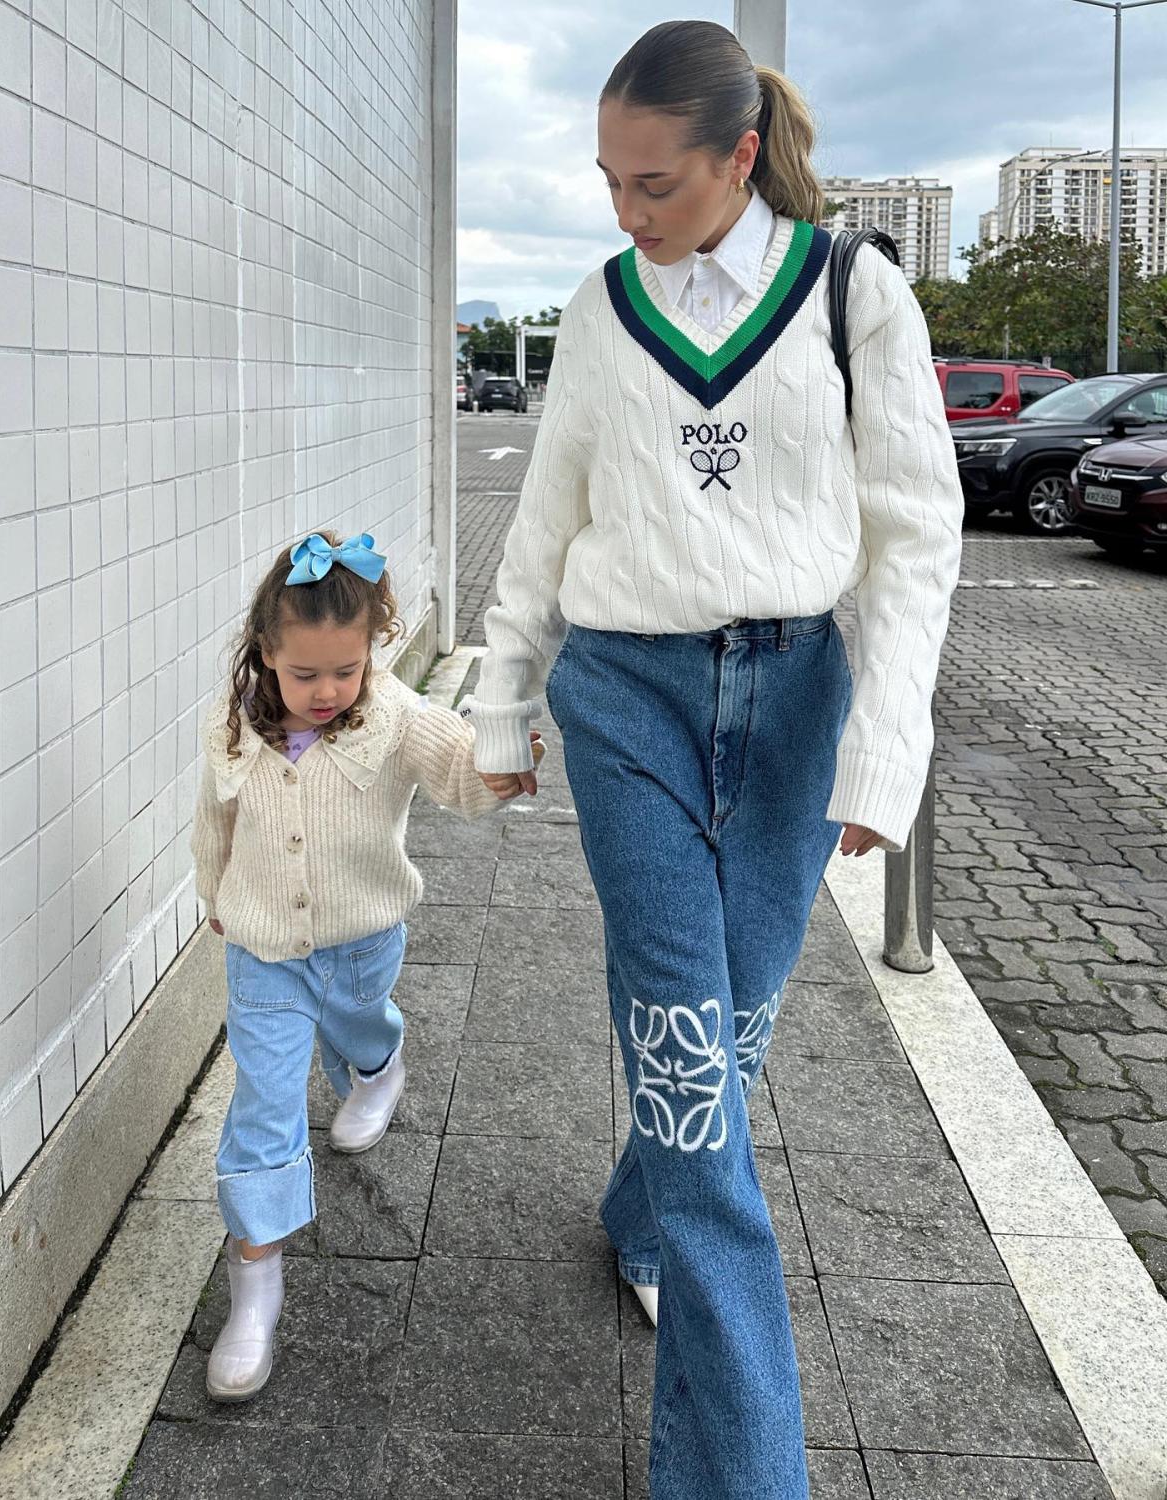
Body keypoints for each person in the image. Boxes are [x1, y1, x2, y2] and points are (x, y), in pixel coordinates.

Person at [460, 20, 962, 1500]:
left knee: (724, 1029)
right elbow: (545, 524)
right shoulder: (603, 308)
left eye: (657, 184)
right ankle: (744, 1474)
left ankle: (642, 1207)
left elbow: (915, 537)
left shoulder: (855, 294)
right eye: (609, 182)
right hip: (627, 704)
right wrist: (502, 711)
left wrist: (885, 752)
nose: (628, 213)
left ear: (742, 157)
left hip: (797, 701)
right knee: (694, 1075)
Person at [190, 528, 539, 1403]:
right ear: (267, 653)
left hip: (361, 941)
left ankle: (379, 1068)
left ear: (370, 652)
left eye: (343, 671)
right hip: (263, 950)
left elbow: (454, 763)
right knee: (266, 1104)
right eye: (304, 675)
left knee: (358, 1029)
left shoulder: (390, 716)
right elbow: (213, 822)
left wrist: (498, 767)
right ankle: (256, 1286)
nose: (326, 691)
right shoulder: (233, 727)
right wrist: (217, 900)